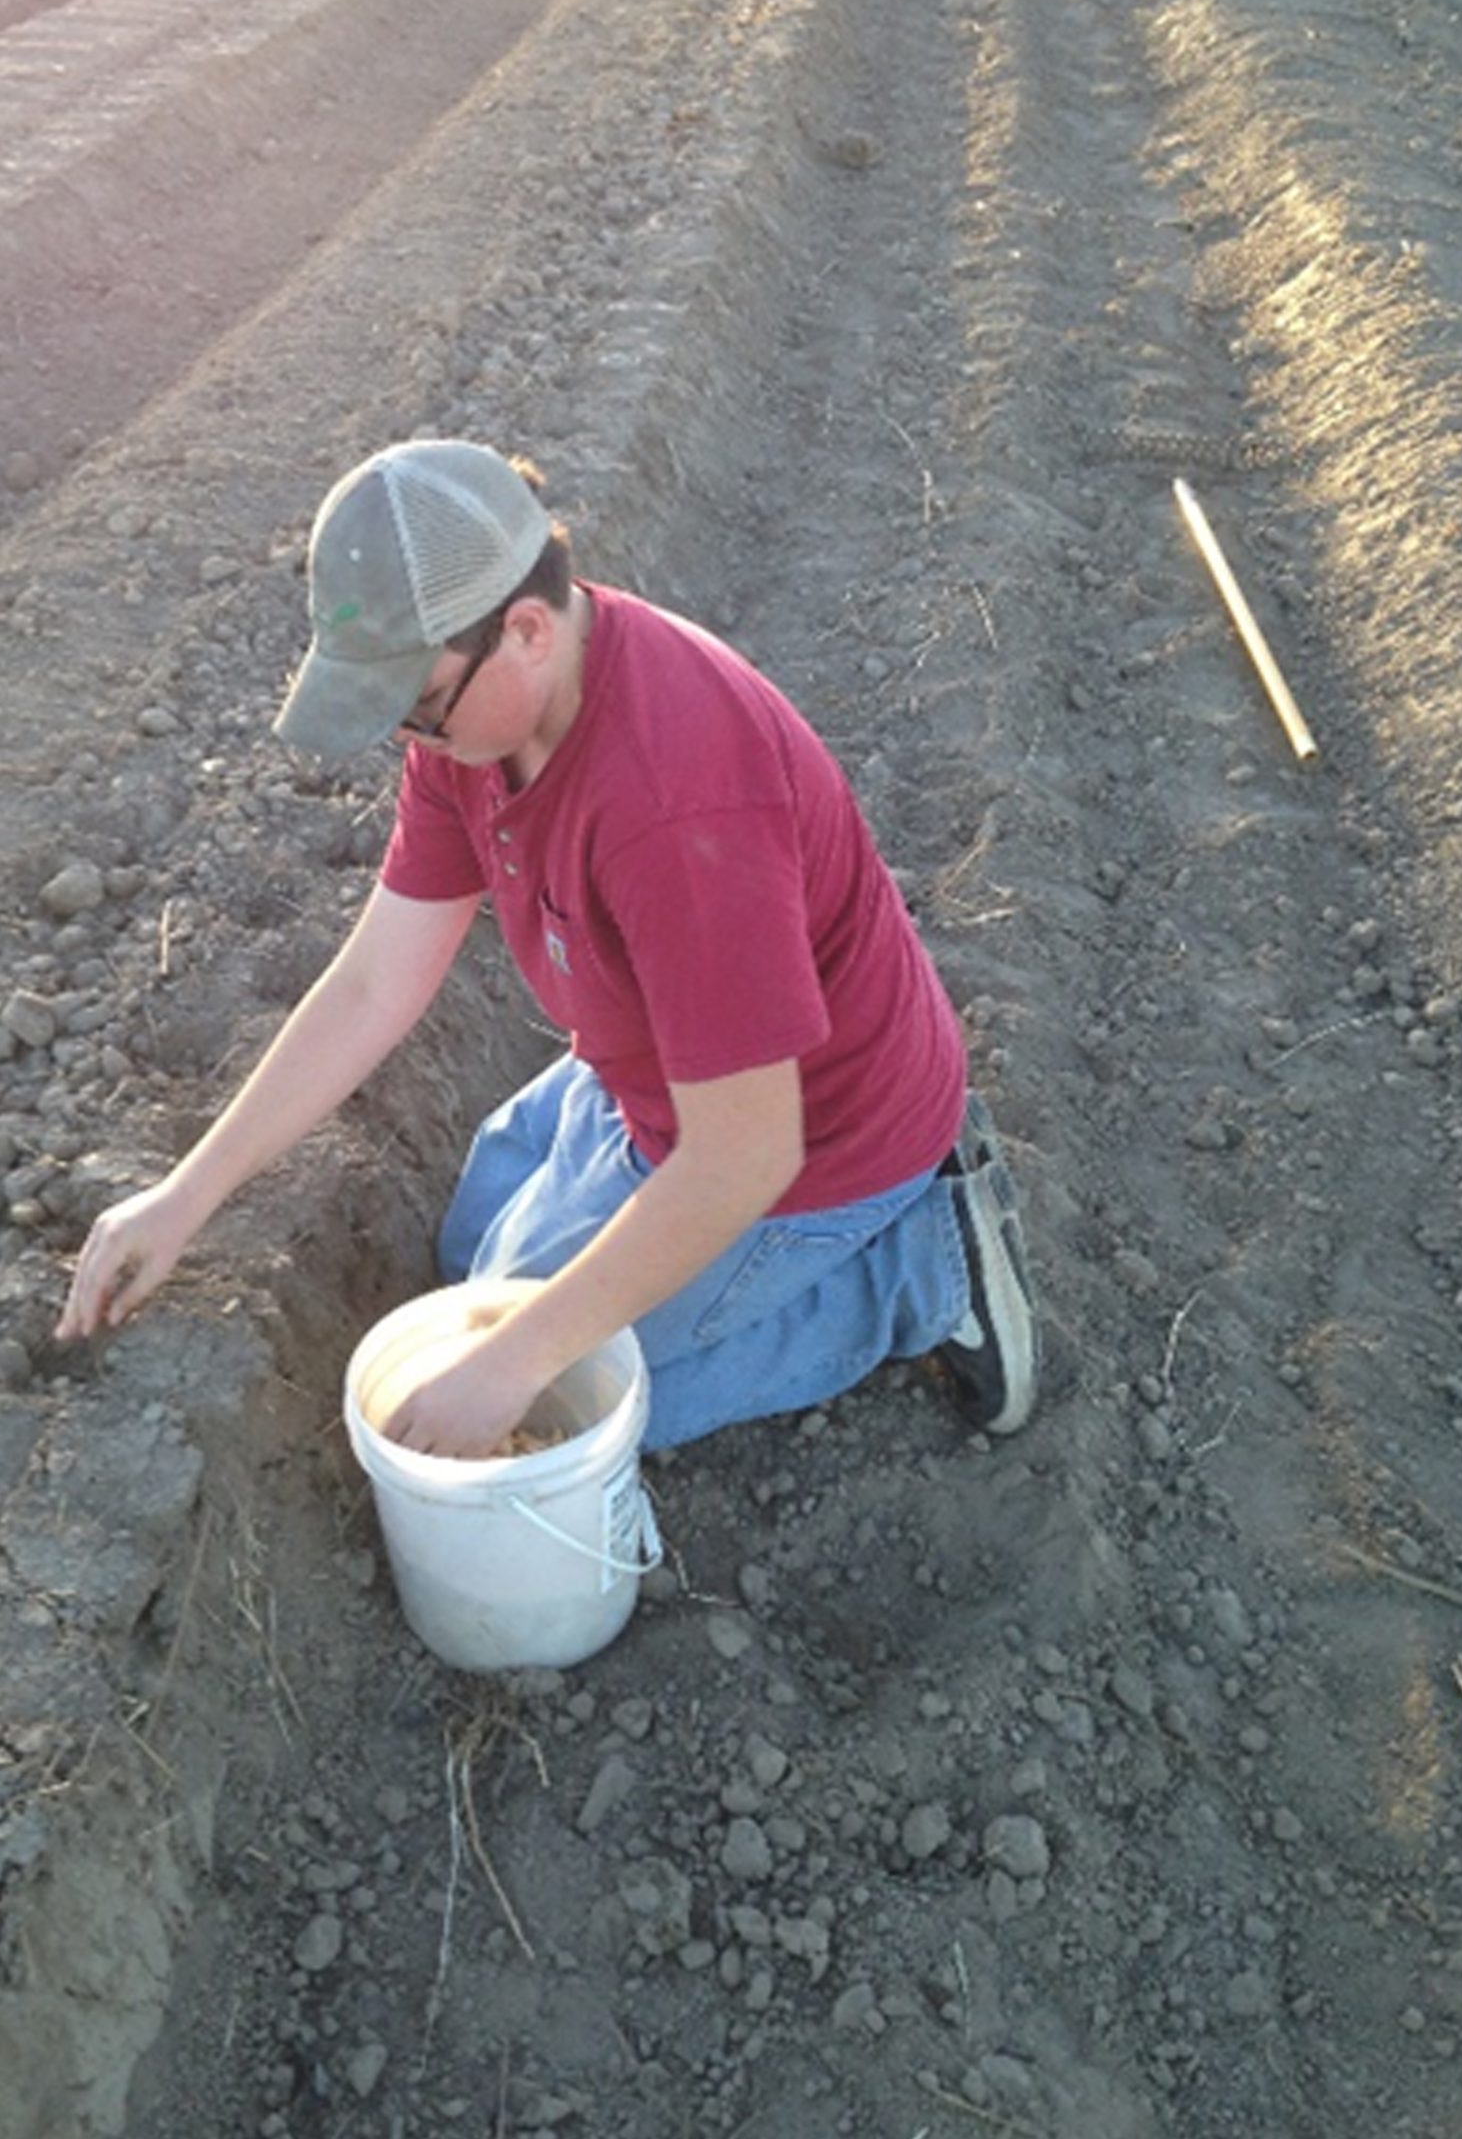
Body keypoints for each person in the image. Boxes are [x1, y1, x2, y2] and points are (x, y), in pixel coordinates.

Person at [57, 439, 1039, 1460]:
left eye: (414, 704)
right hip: (651, 1075)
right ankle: (578, 1262)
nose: (406, 737)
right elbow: (371, 982)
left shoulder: (675, 801)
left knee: (570, 1402)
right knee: (473, 1266)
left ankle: (916, 1274)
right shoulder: (473, 727)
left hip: (815, 1143)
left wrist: (518, 1363)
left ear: (525, 629)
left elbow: (746, 1151)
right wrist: (188, 1192)